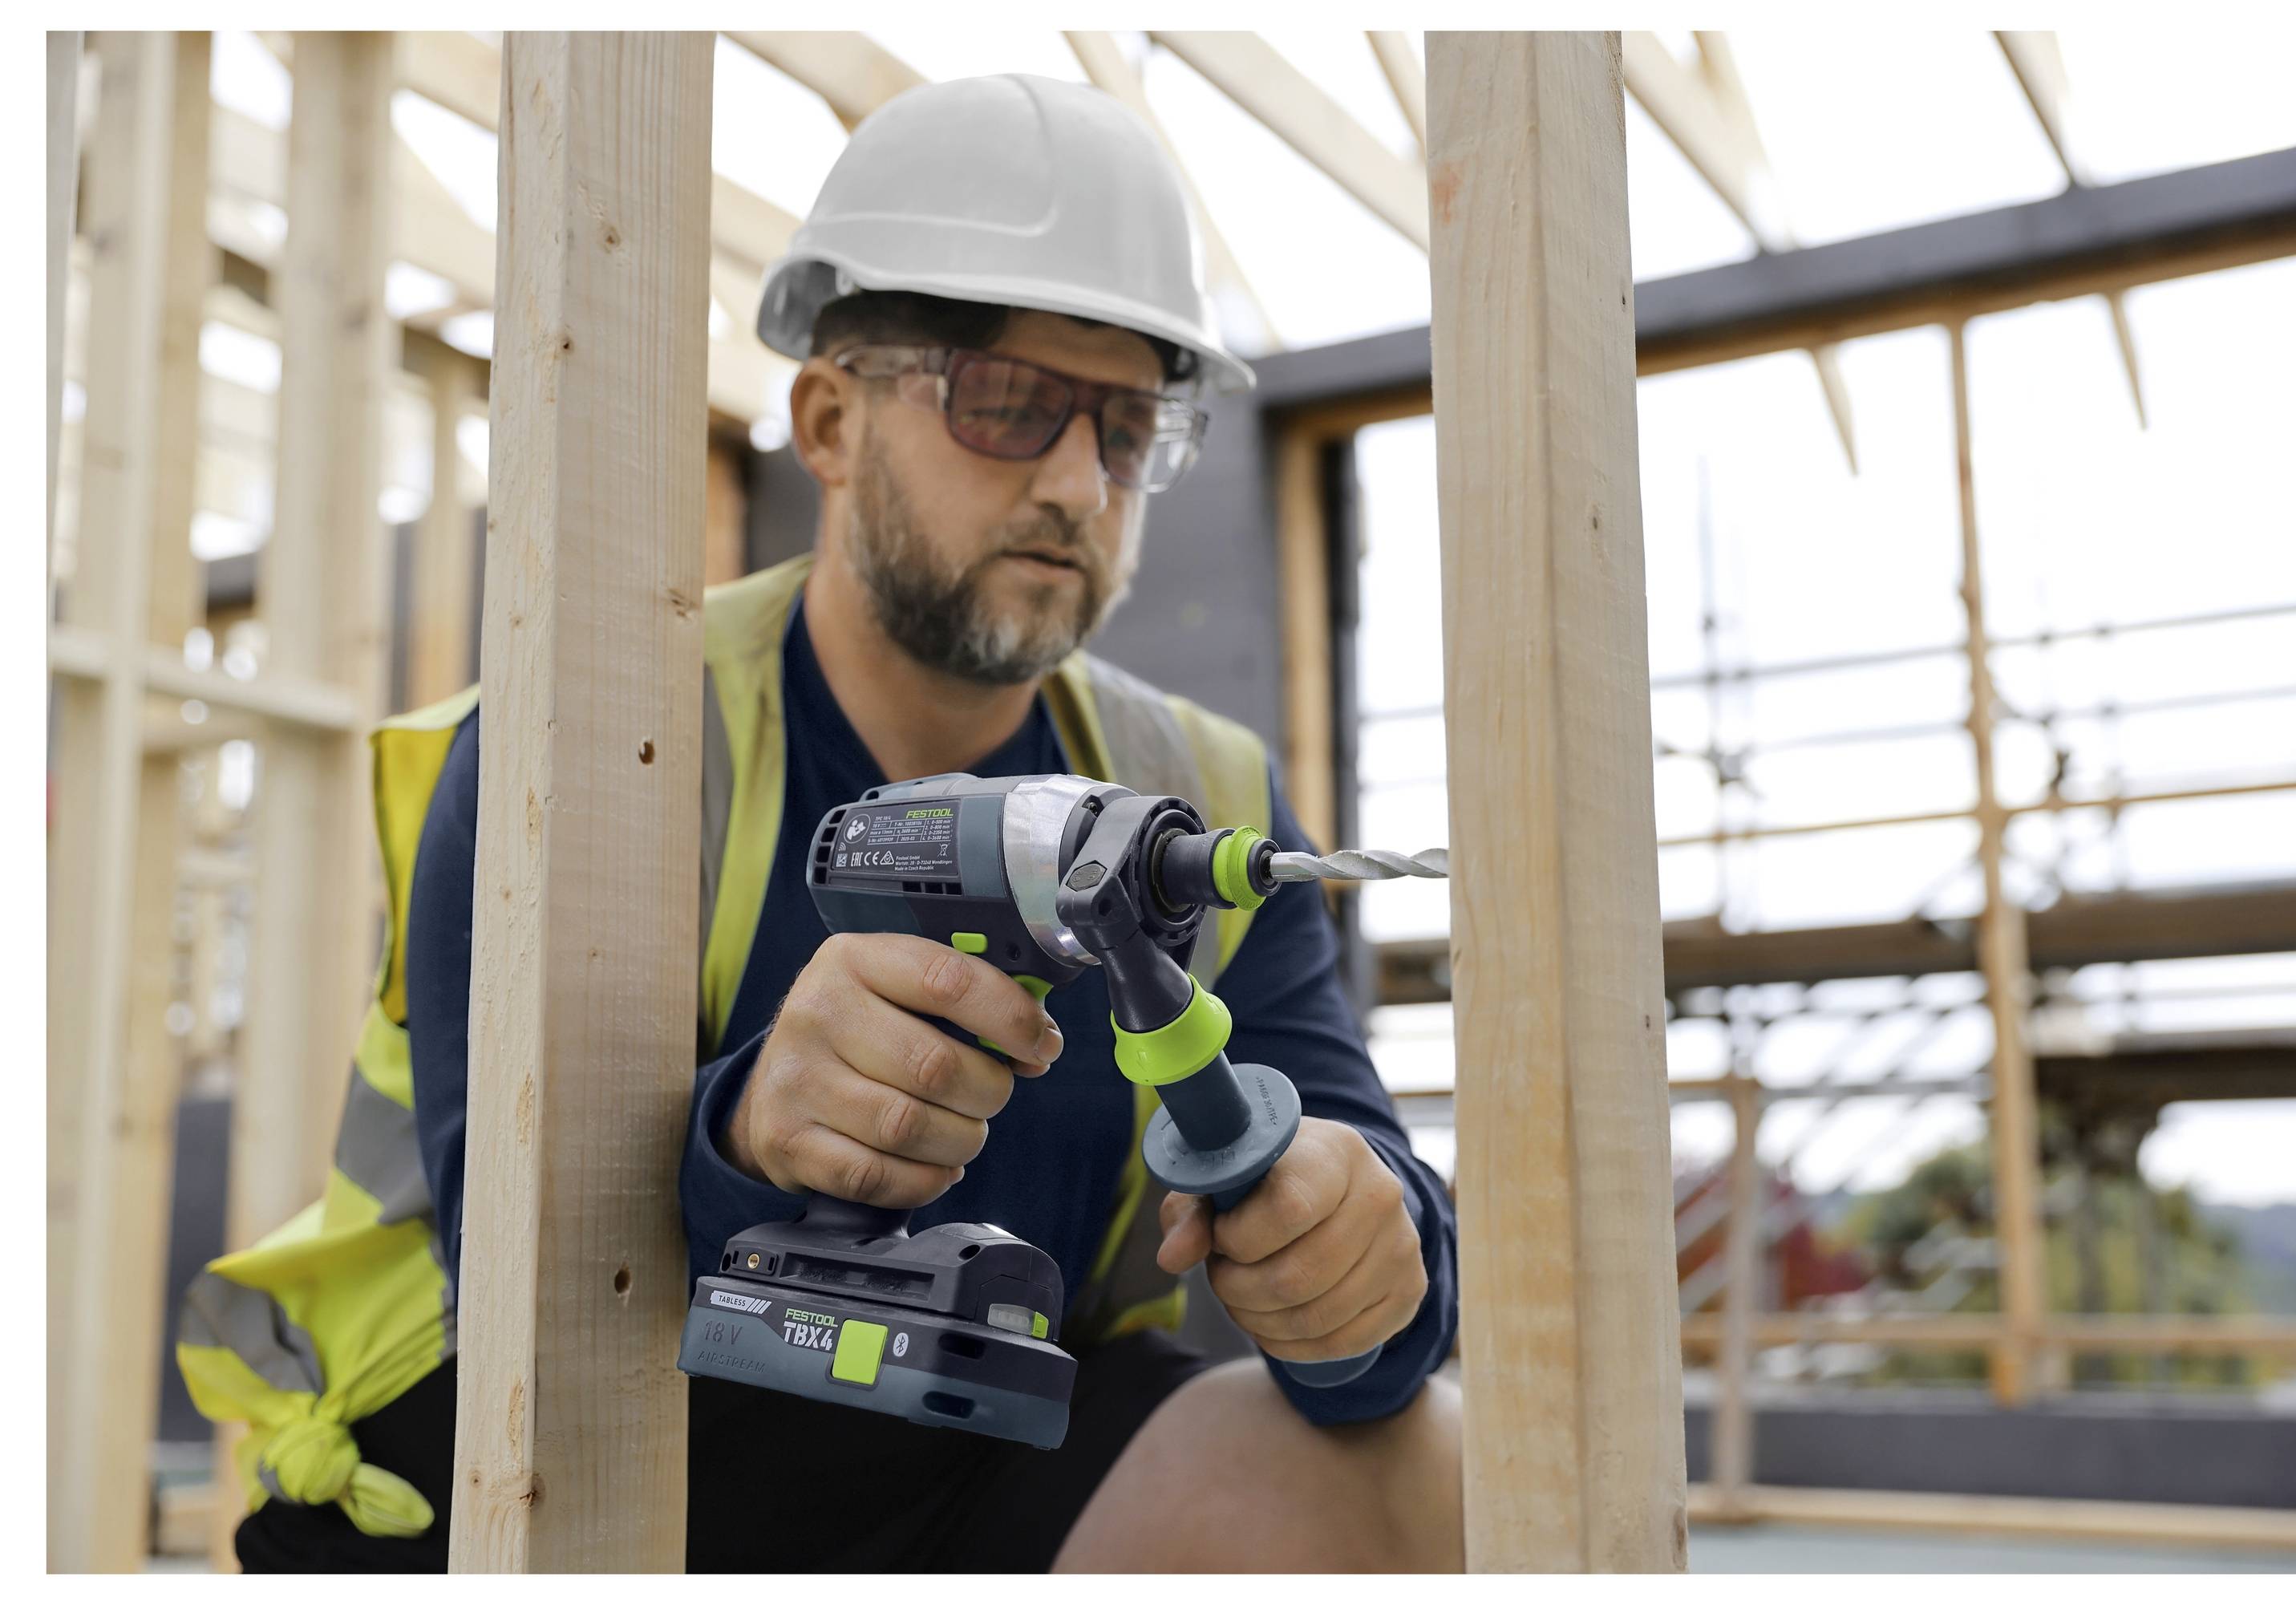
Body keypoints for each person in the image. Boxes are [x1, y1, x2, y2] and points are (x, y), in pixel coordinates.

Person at [180, 71, 1460, 1574]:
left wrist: (1368, 1270)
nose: (1073, 480)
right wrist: (743, 1135)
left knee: (1421, 1470)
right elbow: (521, 1295)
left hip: (959, 1472)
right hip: (507, 1480)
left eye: (1127, 427)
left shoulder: (1207, 799)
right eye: (1005, 402)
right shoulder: (587, 743)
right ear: (829, 419)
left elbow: (1370, 1285)